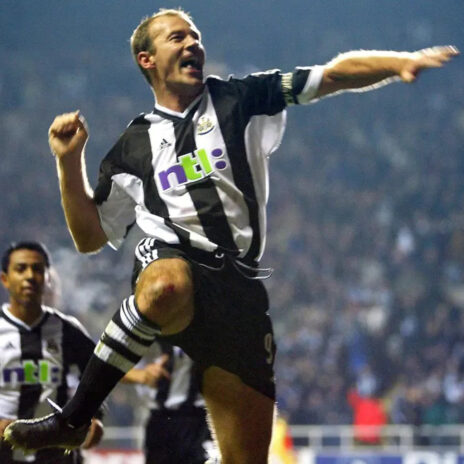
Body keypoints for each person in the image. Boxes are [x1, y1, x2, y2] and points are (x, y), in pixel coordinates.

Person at [4, 7, 458, 464]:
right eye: (177, 37)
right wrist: (68, 161)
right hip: (175, 261)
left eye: (196, 36)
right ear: (147, 59)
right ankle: (73, 418)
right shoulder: (133, 145)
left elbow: (332, 75)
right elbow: (89, 237)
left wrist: (399, 63)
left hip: (239, 293)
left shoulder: (240, 98)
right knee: (165, 284)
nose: (193, 44)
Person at [0, 241, 104, 463]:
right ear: (5, 279)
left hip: (55, 453)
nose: (30, 276)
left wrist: (95, 415)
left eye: (37, 269)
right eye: (21, 269)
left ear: (48, 278)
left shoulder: (68, 329)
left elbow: (98, 374)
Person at [123, 341, 213, 464]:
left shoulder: (213, 332)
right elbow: (110, 361)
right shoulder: (146, 331)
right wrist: (142, 375)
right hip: (161, 420)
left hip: (202, 418)